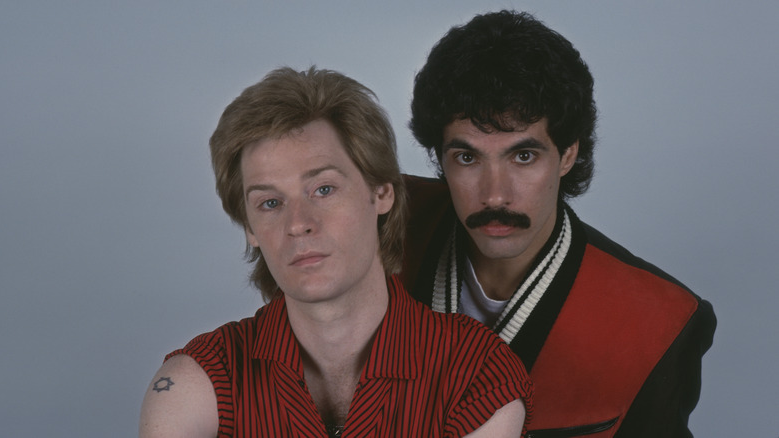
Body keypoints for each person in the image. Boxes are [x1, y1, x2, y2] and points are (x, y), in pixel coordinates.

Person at [139, 67, 533, 438]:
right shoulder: (196, 383)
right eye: (270, 203)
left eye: (323, 189)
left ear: (381, 193)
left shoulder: (478, 377)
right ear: (250, 229)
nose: (298, 223)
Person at [402, 10, 716, 437]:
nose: (495, 195)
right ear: (439, 156)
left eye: (524, 156)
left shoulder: (662, 322)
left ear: (568, 153)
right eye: (467, 157)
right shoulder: (376, 224)